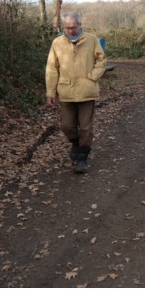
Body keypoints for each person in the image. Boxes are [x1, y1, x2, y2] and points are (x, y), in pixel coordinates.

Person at [46, 12, 107, 174]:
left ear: (80, 25)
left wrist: (93, 77)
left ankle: (82, 158)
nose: (70, 30)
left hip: (87, 90)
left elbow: (102, 60)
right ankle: (76, 144)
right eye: (67, 28)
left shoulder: (91, 40)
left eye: (73, 27)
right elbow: (52, 69)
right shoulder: (57, 43)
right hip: (66, 91)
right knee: (66, 126)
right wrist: (50, 93)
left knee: (86, 127)